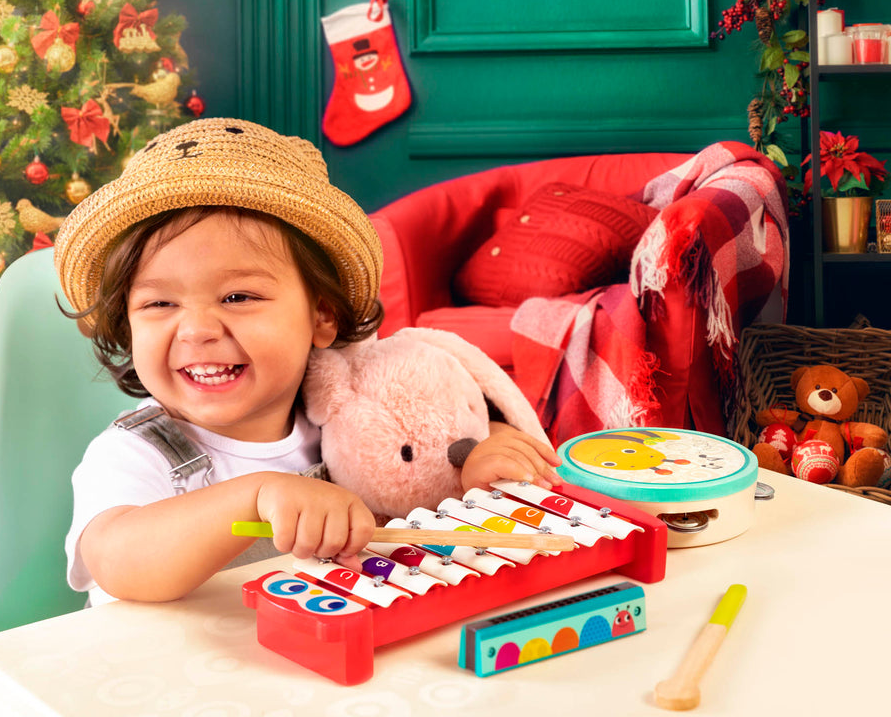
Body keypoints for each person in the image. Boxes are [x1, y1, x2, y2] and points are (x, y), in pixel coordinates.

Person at [54, 117, 560, 605]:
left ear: (322, 314)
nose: (198, 330)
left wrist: (476, 463)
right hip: (166, 681)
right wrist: (256, 496)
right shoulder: (135, 455)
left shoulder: (352, 415)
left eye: (238, 297)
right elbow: (116, 563)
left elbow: (423, 470)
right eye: (159, 304)